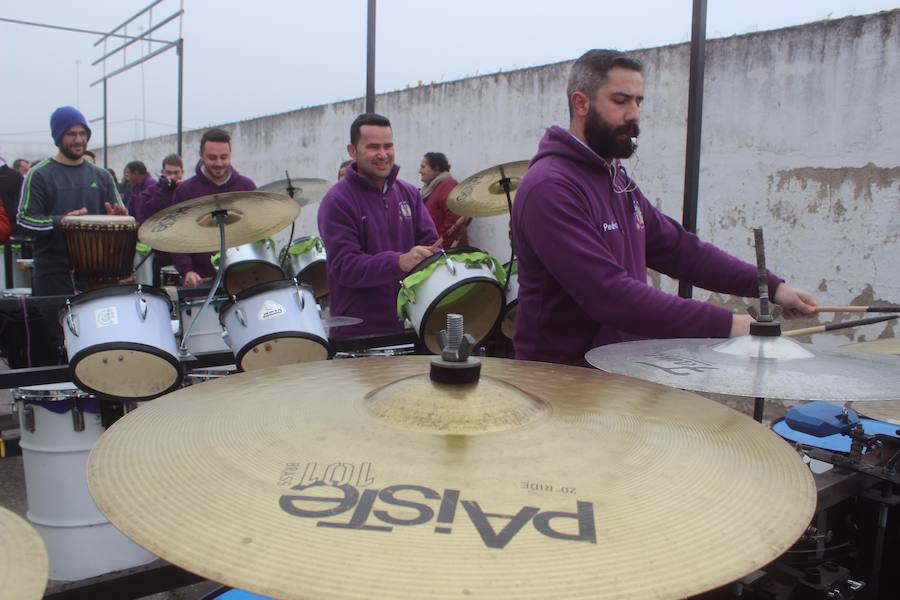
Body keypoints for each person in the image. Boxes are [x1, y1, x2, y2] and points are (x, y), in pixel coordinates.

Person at [511, 50, 817, 366]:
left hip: (616, 375)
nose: (634, 114)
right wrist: (729, 325)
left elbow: (681, 250)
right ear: (580, 103)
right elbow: (609, 295)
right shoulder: (550, 187)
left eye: (638, 102)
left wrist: (770, 285)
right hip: (561, 384)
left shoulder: (615, 178)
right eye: (620, 101)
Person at [318, 113, 438, 337]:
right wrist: (398, 261)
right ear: (352, 151)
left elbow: (432, 244)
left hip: (414, 327)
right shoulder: (337, 201)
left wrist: (434, 255)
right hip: (358, 336)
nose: (383, 155)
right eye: (373, 147)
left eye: (388, 146)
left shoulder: (410, 194)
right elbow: (345, 266)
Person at [17, 105, 126, 296]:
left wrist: (120, 219)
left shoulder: (102, 176)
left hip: (98, 273)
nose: (78, 139)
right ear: (58, 137)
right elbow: (24, 220)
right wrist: (63, 222)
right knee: (55, 326)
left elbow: (123, 217)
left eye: (83, 133)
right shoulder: (39, 174)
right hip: (52, 272)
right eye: (71, 134)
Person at [169, 129, 255, 287]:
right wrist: (186, 270)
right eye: (212, 157)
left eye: (224, 157)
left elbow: (255, 231)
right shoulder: (185, 191)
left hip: (242, 277)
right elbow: (178, 236)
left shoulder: (246, 187)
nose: (219, 163)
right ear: (201, 156)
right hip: (202, 281)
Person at [419, 152, 467, 247]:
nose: (419, 171)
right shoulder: (431, 189)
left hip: (448, 252)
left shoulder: (448, 186)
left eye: (423, 167)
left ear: (436, 168)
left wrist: (437, 244)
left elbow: (455, 219)